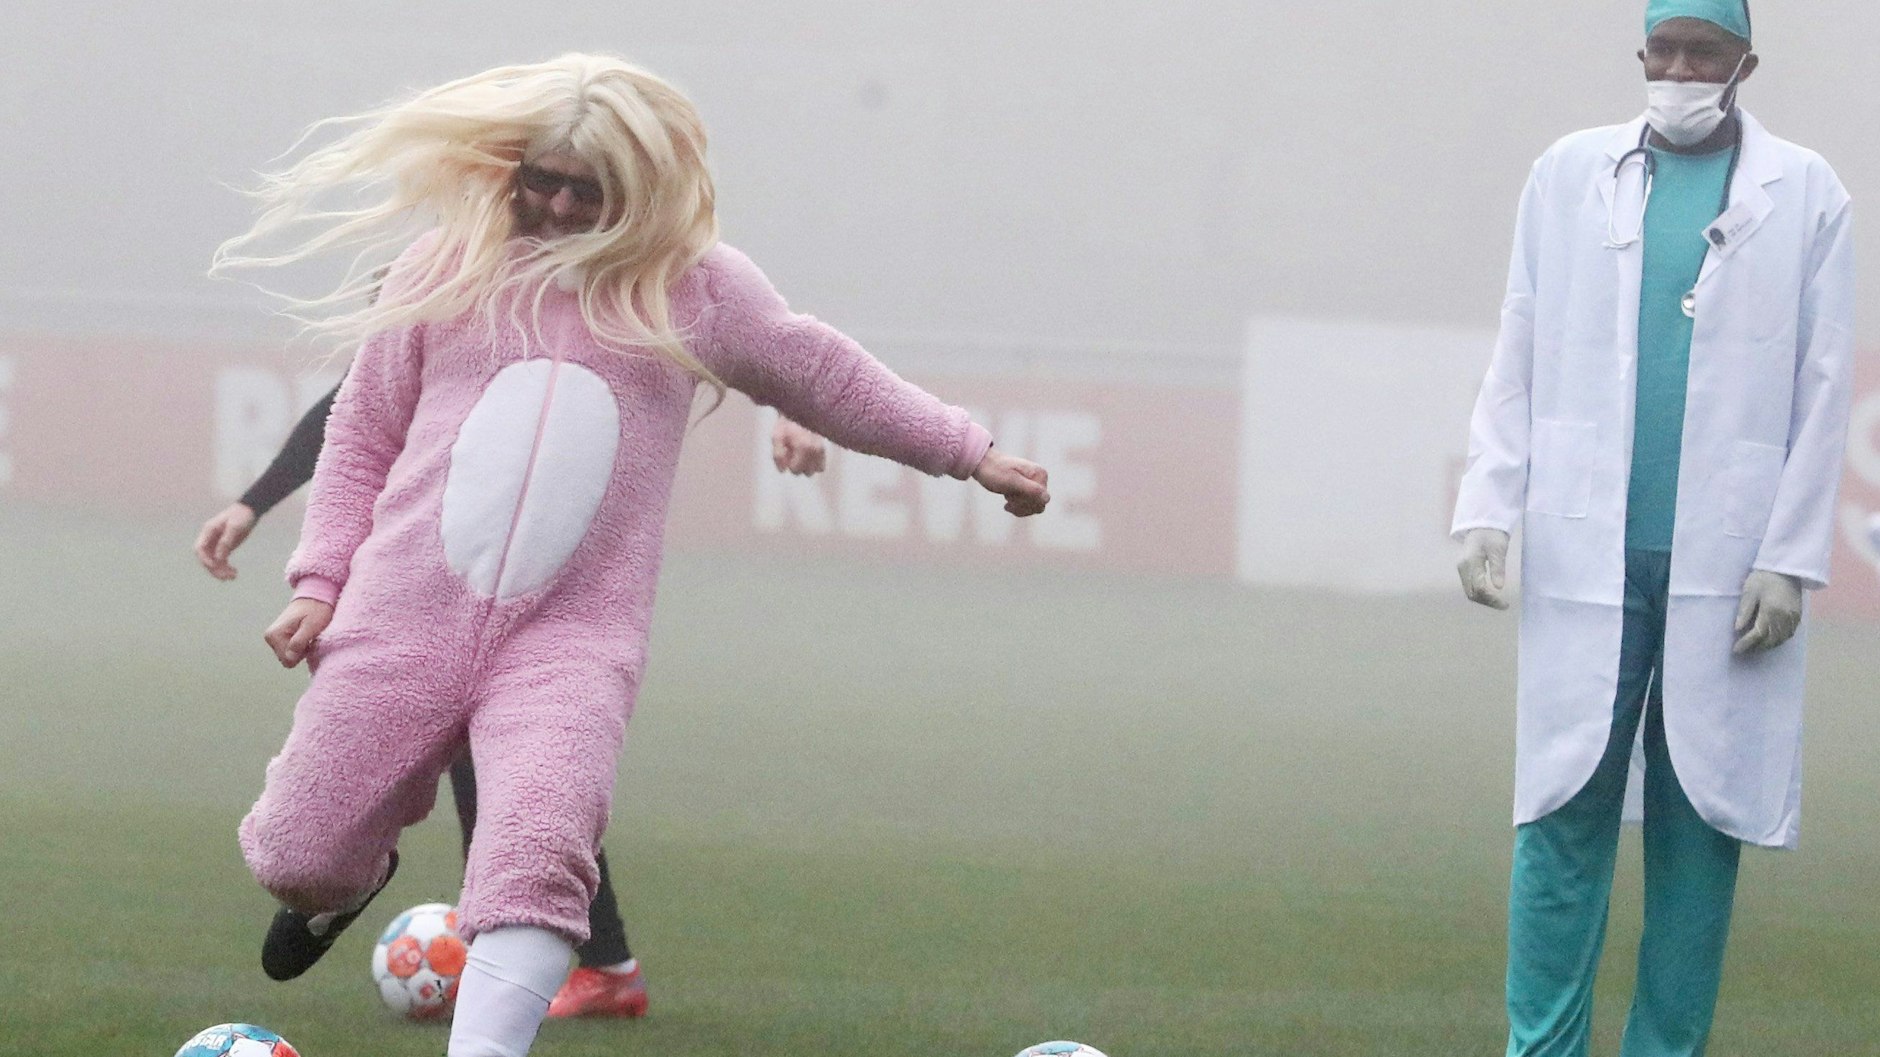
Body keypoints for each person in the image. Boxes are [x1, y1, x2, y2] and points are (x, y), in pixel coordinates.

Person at [212, 52, 1050, 1057]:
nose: (559, 206)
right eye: (541, 180)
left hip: (570, 640)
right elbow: (361, 433)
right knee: (295, 853)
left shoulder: (694, 290)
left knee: (534, 857)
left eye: (588, 189)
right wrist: (318, 581)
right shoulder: (444, 266)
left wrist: (972, 452)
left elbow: (820, 369)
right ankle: (343, 885)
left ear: (641, 190)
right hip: (403, 612)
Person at [1451, 2, 1854, 1054]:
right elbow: (1521, 336)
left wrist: (1787, 557)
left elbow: (1822, 383)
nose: (1676, 70)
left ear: (1744, 65)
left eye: (1701, 54)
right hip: (1586, 546)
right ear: (1638, 55)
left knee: (1698, 825)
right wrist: (1488, 502)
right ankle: (1539, 1044)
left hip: (1723, 563)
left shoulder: (1806, 192)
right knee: (1558, 810)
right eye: (1661, 51)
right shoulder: (1566, 172)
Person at [194, 381, 829, 1018]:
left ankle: (564, 964)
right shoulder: (437, 316)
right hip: (420, 565)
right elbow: (352, 404)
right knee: (474, 763)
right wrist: (254, 505)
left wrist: (791, 405)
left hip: (531, 575)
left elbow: (730, 329)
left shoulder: (570, 309)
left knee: (517, 778)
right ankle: (369, 874)